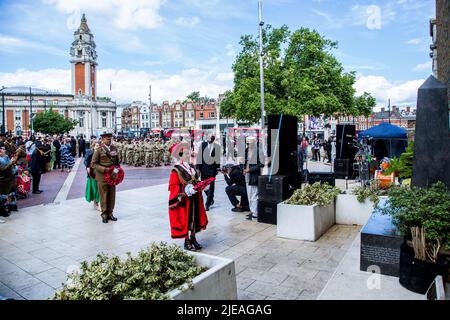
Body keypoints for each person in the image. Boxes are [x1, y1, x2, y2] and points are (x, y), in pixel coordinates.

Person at [168, 143, 208, 251]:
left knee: (195, 218)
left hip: (194, 198)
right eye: (186, 153)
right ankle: (187, 241)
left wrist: (201, 185)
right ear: (180, 155)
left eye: (188, 153)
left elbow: (195, 180)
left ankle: (193, 238)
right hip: (185, 200)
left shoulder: (191, 167)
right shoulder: (176, 170)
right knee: (186, 220)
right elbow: (173, 186)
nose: (188, 155)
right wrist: (185, 191)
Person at [91, 132, 120, 223]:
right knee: (104, 195)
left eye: (110, 139)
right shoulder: (99, 150)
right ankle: (104, 214)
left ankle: (110, 213)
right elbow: (93, 164)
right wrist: (104, 169)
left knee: (112, 195)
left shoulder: (114, 148)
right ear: (102, 140)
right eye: (107, 139)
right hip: (102, 176)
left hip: (112, 176)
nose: (109, 140)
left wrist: (115, 173)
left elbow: (117, 163)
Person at [196, 135, 220, 211]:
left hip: (212, 170)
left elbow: (217, 159)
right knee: (204, 187)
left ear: (213, 138)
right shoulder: (203, 144)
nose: (208, 139)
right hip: (203, 169)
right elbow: (199, 157)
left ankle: (208, 203)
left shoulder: (217, 147)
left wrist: (217, 168)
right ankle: (211, 198)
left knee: (211, 188)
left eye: (210, 137)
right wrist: (198, 168)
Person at [244, 137, 264, 220]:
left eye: (249, 143)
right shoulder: (246, 150)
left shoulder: (259, 151)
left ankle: (255, 213)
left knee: (254, 195)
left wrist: (250, 170)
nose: (248, 145)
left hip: (254, 176)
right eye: (247, 143)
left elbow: (261, 164)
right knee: (249, 195)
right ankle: (253, 211)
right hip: (247, 175)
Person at [0, 146, 17, 216]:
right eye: (2, 149)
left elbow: (10, 167)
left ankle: (11, 206)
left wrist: (13, 164)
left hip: (10, 178)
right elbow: (3, 169)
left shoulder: (6, 157)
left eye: (4, 149)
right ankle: (3, 211)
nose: (4, 150)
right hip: (3, 180)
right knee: (3, 196)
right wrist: (10, 163)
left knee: (11, 194)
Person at [84, 142, 101, 211]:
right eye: (96, 145)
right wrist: (88, 168)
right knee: (94, 189)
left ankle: (99, 203)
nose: (97, 147)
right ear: (93, 146)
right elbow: (87, 163)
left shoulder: (101, 154)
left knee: (99, 189)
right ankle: (95, 203)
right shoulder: (90, 154)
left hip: (99, 174)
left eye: (99, 146)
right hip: (92, 175)